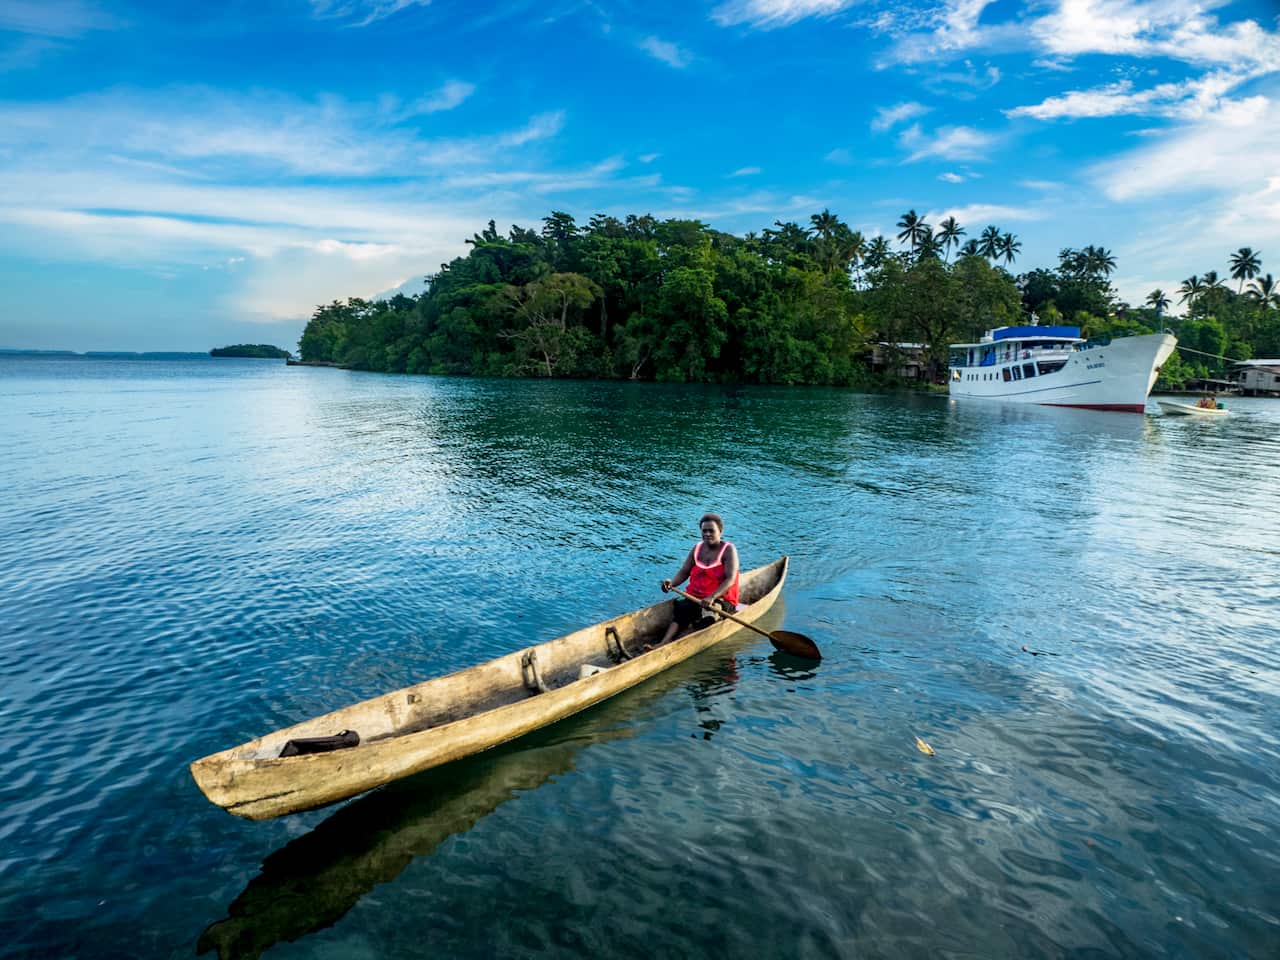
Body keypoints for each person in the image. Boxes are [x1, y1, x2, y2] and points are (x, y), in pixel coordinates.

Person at [652, 513, 741, 648]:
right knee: (682, 609)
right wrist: (671, 583)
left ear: (720, 531)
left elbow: (730, 579)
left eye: (711, 531)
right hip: (696, 596)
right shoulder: (697, 548)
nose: (707, 534)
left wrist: (712, 597)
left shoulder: (728, 550)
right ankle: (664, 642)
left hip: (721, 598)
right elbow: (684, 571)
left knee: (708, 616)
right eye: (704, 531)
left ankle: (680, 642)